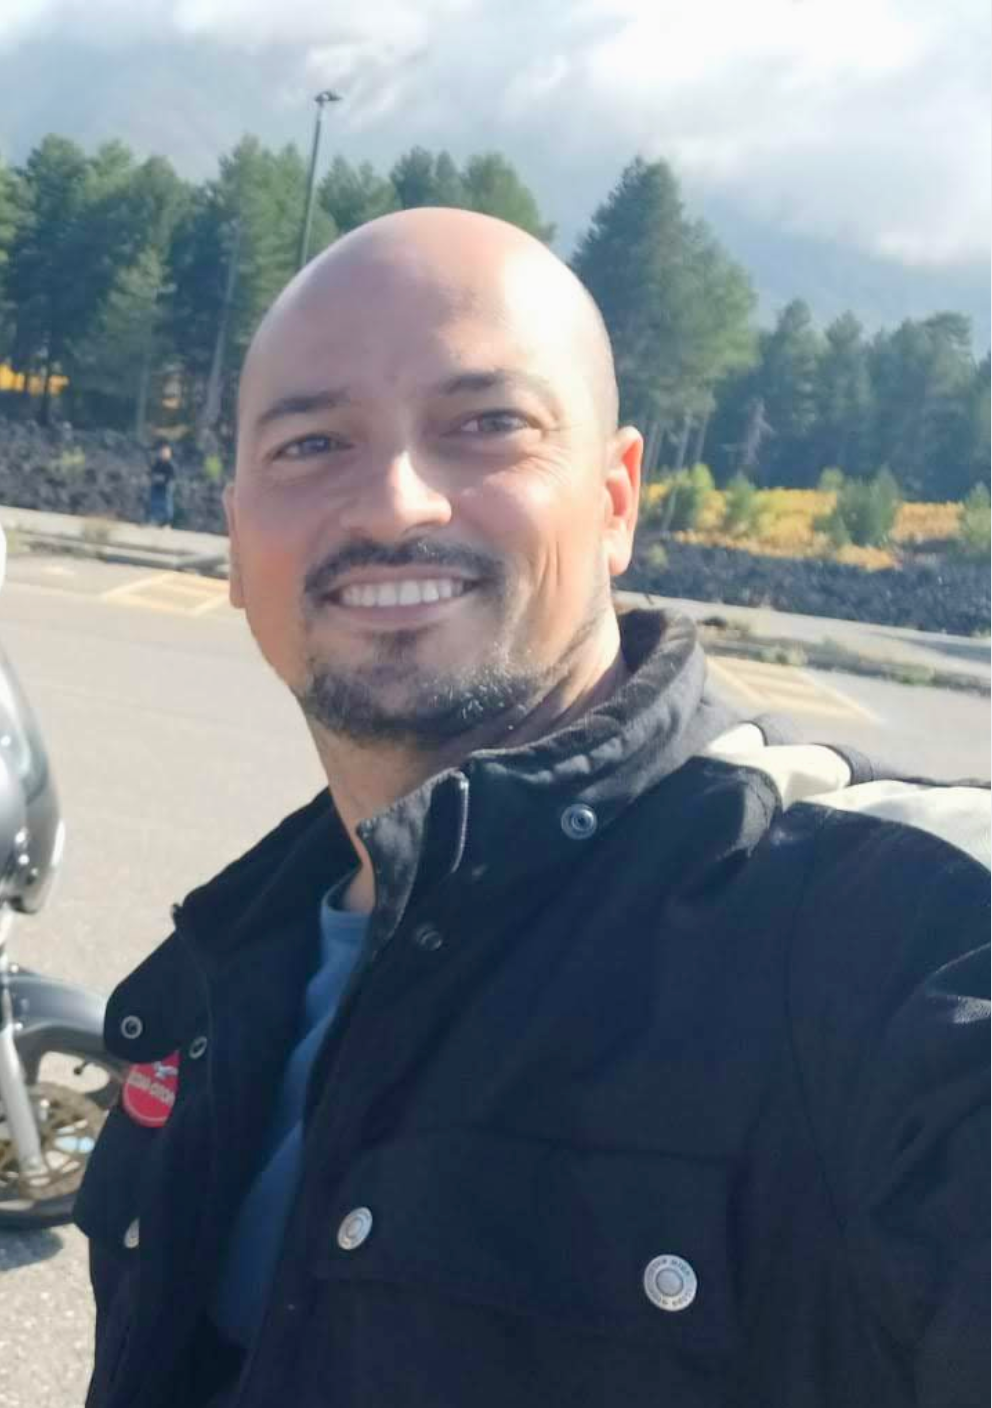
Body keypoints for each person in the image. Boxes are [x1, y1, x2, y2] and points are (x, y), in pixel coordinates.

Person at [74, 207, 988, 1408]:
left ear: (614, 503)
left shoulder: (880, 933)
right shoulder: (214, 978)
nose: (395, 500)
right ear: (238, 540)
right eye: (310, 444)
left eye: (484, 426)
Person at [145, 441, 177, 526]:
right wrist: (153, 478)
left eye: (165, 453)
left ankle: (167, 522)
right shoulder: (157, 463)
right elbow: (151, 472)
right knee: (154, 502)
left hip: (166, 487)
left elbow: (172, 476)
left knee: (166, 504)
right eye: (162, 452)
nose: (162, 454)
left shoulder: (170, 464)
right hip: (156, 485)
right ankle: (153, 519)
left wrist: (163, 479)